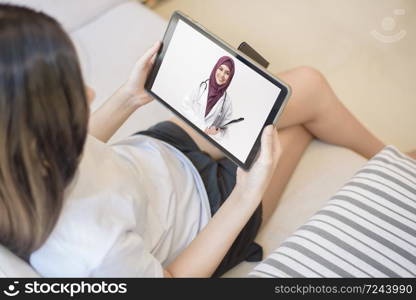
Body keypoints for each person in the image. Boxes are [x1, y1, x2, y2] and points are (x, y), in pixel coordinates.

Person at [0, 5, 414, 278]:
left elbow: (83, 146)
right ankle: (399, 169)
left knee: (306, 84)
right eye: (73, 92)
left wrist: (129, 96)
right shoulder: (94, 252)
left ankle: (389, 157)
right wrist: (244, 196)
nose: (90, 95)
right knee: (297, 126)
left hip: (157, 151)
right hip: (210, 210)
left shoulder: (16, 163)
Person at [181, 56, 235, 140]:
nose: (222, 75)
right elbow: (184, 106)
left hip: (204, 141)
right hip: (185, 130)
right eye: (220, 69)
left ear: (230, 77)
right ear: (215, 68)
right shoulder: (200, 86)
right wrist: (202, 127)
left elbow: (226, 132)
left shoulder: (227, 102)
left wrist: (217, 132)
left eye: (227, 73)